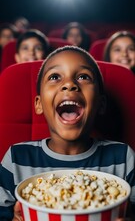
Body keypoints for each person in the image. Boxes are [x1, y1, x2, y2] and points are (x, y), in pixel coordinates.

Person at [0, 46, 134, 220]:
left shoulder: (123, 159)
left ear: (101, 104)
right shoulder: (17, 158)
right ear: (39, 104)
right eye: (55, 77)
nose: (70, 84)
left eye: (83, 77)